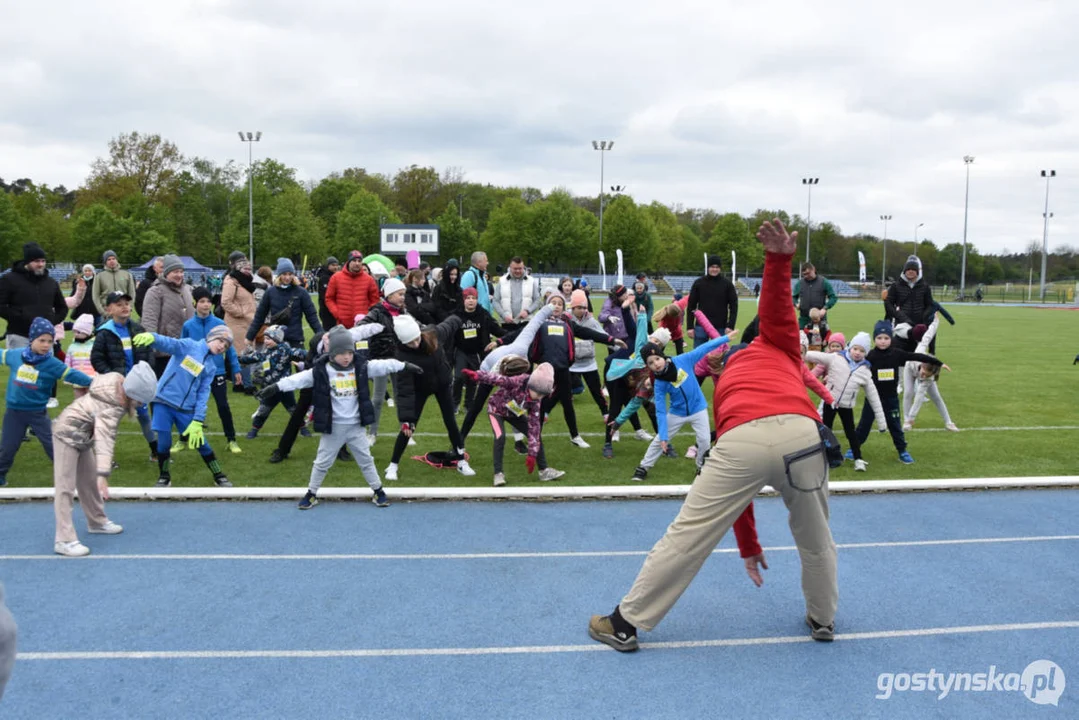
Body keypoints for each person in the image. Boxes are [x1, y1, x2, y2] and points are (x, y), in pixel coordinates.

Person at [588, 219, 839, 652]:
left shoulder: (726, 377)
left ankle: (624, 622)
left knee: (689, 534)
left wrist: (749, 546)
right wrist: (778, 260)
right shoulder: (780, 347)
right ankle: (823, 619)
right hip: (802, 436)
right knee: (816, 539)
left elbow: (741, 470)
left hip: (740, 438)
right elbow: (778, 308)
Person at [266, 326, 420, 509]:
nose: (347, 357)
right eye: (342, 353)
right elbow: (297, 379)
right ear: (332, 353)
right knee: (322, 463)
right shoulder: (320, 371)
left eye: (350, 352)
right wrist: (276, 387)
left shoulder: (362, 367)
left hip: (356, 428)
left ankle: (378, 491)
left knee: (366, 461)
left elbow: (383, 364)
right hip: (333, 429)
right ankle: (312, 493)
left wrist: (404, 366)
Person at [51, 362, 157, 557]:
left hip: (82, 436)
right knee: (65, 487)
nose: (141, 406)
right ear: (133, 393)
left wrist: (97, 476)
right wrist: (103, 474)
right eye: (141, 401)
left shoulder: (117, 383)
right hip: (66, 435)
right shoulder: (113, 406)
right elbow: (105, 439)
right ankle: (64, 539)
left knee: (88, 482)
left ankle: (96, 521)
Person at [132, 326, 235, 488]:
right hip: (163, 402)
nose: (222, 346)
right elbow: (169, 344)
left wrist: (198, 420)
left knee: (201, 443)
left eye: (226, 345)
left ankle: (219, 475)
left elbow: (203, 393)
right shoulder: (189, 346)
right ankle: (164, 476)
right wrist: (153, 337)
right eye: (220, 340)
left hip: (186, 410)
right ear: (210, 337)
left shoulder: (211, 367)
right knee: (164, 443)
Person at [628, 329, 732, 481]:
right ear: (648, 366)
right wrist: (664, 436)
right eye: (650, 363)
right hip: (677, 413)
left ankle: (701, 467)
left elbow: (703, 348)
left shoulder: (683, 360)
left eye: (657, 358)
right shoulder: (660, 383)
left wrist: (724, 338)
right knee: (658, 441)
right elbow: (661, 411)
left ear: (662, 356)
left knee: (704, 440)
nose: (655, 364)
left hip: (698, 408)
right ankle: (643, 467)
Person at [0, 319, 93, 488]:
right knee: (7, 448)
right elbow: (1, 354)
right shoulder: (15, 355)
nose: (46, 345)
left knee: (54, 448)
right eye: (41, 340)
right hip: (14, 412)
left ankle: (71, 479)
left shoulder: (52, 364)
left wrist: (93, 382)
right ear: (31, 339)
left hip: (38, 413)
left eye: (50, 341)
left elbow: (72, 374)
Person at [384, 314, 476, 480]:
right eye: (410, 342)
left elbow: (450, 323)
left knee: (451, 422)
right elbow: (404, 389)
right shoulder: (401, 357)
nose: (415, 343)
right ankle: (393, 465)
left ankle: (461, 461)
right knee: (408, 427)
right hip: (419, 390)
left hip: (442, 385)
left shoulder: (432, 334)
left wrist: (459, 317)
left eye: (416, 339)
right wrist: (405, 418)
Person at [533, 294, 624, 449]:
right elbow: (522, 334)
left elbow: (587, 333)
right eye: (553, 303)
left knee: (567, 403)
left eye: (559, 304)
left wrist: (611, 340)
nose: (556, 306)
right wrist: (501, 341)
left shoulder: (567, 323)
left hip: (563, 369)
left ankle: (575, 436)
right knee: (539, 402)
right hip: (545, 369)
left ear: (563, 307)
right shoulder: (539, 322)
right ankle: (535, 437)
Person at [853, 320, 944, 465]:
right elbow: (855, 369)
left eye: (886, 338)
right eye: (879, 338)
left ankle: (902, 451)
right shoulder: (870, 356)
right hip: (872, 398)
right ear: (874, 339)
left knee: (895, 425)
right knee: (864, 424)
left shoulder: (896, 354)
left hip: (891, 399)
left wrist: (938, 362)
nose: (883, 341)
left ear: (891, 339)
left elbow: (917, 356)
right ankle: (854, 448)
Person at [463, 358, 565, 486]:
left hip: (514, 413)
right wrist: (478, 375)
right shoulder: (518, 381)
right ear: (531, 385)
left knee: (536, 435)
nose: (539, 398)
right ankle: (498, 474)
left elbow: (534, 427)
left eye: (542, 396)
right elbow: (498, 379)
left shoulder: (536, 402)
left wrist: (532, 454)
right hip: (496, 410)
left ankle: (544, 470)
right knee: (500, 437)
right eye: (538, 394)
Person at [91, 290, 159, 459]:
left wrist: (144, 373)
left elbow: (148, 352)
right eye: (119, 305)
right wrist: (114, 377)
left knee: (145, 418)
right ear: (109, 310)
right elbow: (97, 359)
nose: (125, 307)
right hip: (116, 387)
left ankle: (156, 451)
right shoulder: (104, 332)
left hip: (136, 387)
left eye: (127, 304)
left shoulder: (138, 328)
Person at [806, 331, 884, 472]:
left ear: (866, 353)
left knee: (851, 433)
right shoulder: (836, 358)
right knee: (825, 430)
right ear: (849, 347)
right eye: (855, 349)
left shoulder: (865, 371)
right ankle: (825, 457)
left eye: (862, 350)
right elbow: (814, 355)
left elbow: (874, 397)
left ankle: (858, 459)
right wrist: (797, 351)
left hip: (846, 406)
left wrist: (882, 422)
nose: (857, 353)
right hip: (830, 402)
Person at [181, 287, 244, 454]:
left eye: (208, 301)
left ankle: (231, 440)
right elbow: (183, 348)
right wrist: (184, 370)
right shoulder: (188, 326)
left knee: (223, 406)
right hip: (194, 371)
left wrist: (236, 369)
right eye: (202, 301)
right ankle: (183, 439)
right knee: (189, 407)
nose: (206, 305)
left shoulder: (220, 324)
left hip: (217, 372)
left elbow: (229, 349)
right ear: (194, 303)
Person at [359, 277, 409, 444]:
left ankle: (406, 432)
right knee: (378, 398)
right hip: (380, 359)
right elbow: (363, 324)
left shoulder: (403, 312)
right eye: (400, 294)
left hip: (398, 358)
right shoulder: (377, 312)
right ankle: (372, 433)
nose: (403, 297)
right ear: (389, 295)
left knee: (400, 395)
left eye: (404, 294)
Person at [239, 325, 308, 439]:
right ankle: (254, 430)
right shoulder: (265, 353)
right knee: (263, 411)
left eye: (269, 339)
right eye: (265, 339)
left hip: (285, 387)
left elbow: (301, 353)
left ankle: (303, 428)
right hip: (270, 389)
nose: (266, 342)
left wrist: (313, 353)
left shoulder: (286, 350)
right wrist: (238, 358)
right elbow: (252, 357)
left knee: (293, 410)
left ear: (277, 339)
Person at [0, 242, 68, 350]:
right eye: (36, 261)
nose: (40, 264)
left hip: (45, 337)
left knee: (45, 367)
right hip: (19, 335)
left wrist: (51, 321)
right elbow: (1, 306)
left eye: (43, 261)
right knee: (22, 367)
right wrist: (20, 318)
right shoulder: (9, 279)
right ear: (27, 262)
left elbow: (62, 307)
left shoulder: (51, 283)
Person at [246, 257, 322, 348]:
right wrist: (249, 337)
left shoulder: (301, 292)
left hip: (295, 340)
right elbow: (259, 316)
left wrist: (321, 335)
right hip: (275, 340)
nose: (287, 277)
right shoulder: (270, 292)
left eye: (290, 274)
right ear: (279, 275)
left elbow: (312, 316)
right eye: (284, 274)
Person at [452, 287, 506, 413]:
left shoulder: (483, 314)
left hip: (477, 352)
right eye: (468, 298)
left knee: (473, 379)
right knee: (459, 377)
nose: (471, 301)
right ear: (463, 300)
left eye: (474, 298)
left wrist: (509, 336)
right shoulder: (456, 314)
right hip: (461, 350)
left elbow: (495, 329)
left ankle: (468, 405)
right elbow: (448, 331)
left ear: (477, 300)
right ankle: (454, 404)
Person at [140, 254, 195, 377]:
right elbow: (149, 321)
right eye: (175, 272)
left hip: (187, 348)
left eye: (181, 271)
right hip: (165, 352)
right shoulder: (155, 291)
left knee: (186, 386)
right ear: (166, 272)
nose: (179, 275)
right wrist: (151, 348)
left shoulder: (188, 289)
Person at [902, 318, 958, 432]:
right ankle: (906, 421)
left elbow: (919, 397)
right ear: (922, 365)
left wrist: (913, 417)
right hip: (909, 369)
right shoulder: (919, 354)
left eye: (926, 376)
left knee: (936, 397)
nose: (923, 376)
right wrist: (935, 322)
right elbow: (927, 337)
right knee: (908, 392)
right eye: (923, 373)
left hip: (923, 374)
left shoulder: (929, 377)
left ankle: (949, 422)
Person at [567, 289, 611, 422]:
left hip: (588, 364)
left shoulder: (592, 322)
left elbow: (603, 336)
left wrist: (617, 345)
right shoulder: (566, 320)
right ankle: (544, 413)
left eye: (584, 307)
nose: (582, 310)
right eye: (579, 307)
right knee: (558, 391)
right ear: (572, 307)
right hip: (570, 364)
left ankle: (605, 413)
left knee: (596, 392)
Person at [220, 252, 258, 385]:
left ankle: (243, 382)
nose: (248, 270)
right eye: (245, 267)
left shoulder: (246, 281)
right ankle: (243, 383)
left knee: (245, 352)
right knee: (241, 353)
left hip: (248, 321)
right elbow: (225, 302)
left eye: (249, 268)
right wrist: (242, 312)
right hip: (237, 323)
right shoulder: (231, 281)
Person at [686, 255, 739, 348]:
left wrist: (730, 325)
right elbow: (691, 306)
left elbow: (734, 306)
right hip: (701, 326)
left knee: (719, 356)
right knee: (699, 356)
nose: (714, 269)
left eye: (717, 267)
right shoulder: (699, 283)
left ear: (720, 268)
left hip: (721, 326)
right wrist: (690, 327)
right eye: (712, 267)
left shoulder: (727, 284)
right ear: (708, 267)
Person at [885, 256, 935, 352]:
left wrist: (924, 316)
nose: (910, 271)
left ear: (917, 271)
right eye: (908, 269)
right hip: (902, 325)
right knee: (899, 353)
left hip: (919, 325)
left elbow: (930, 304)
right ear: (904, 271)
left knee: (916, 355)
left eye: (913, 269)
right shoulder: (896, 286)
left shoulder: (924, 286)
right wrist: (898, 315)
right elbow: (889, 303)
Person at [325, 251, 381, 329]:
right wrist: (337, 314)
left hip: (363, 324)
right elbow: (329, 298)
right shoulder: (336, 278)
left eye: (359, 261)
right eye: (354, 260)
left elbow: (375, 301)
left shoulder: (369, 280)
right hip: (343, 325)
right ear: (348, 262)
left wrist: (367, 315)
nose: (357, 263)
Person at [492, 257, 542, 329]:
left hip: (526, 322)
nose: (518, 271)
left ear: (523, 267)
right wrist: (504, 315)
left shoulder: (531, 281)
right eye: (515, 269)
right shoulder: (502, 281)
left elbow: (537, 300)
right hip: (507, 323)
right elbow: (495, 301)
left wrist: (528, 311)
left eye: (520, 268)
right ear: (510, 268)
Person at [793, 262, 838, 338]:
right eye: (804, 274)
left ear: (813, 269)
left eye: (808, 273)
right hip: (804, 318)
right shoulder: (800, 283)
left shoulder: (823, 282)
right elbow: (793, 297)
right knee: (800, 342)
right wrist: (796, 304)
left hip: (819, 319)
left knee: (819, 342)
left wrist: (825, 308)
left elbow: (833, 297)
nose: (806, 276)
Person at [92, 250, 137, 317]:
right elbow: (95, 296)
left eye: (113, 258)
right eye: (109, 259)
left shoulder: (127, 274)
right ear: (105, 262)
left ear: (116, 260)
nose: (112, 261)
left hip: (124, 312)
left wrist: (129, 308)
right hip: (107, 313)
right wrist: (102, 312)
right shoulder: (99, 276)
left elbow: (132, 293)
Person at [64, 314, 98, 399]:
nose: (75, 334)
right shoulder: (72, 346)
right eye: (74, 331)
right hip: (77, 378)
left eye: (78, 332)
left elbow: (99, 360)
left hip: (91, 378)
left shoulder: (95, 346)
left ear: (87, 332)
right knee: (78, 400)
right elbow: (68, 361)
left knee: (90, 400)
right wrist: (68, 375)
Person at [316, 256, 340, 330]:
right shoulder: (324, 278)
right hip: (327, 311)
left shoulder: (336, 276)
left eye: (336, 265)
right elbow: (326, 296)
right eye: (333, 265)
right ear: (328, 266)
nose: (335, 267)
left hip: (335, 309)